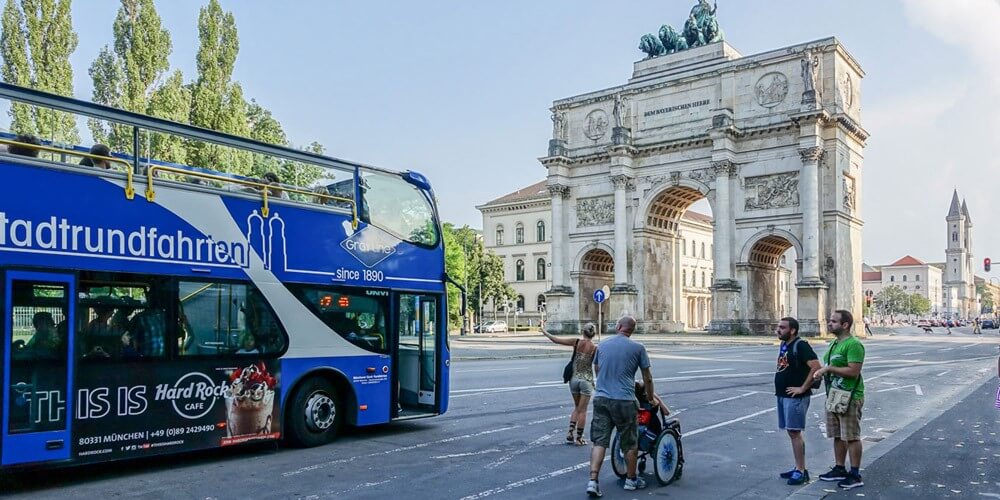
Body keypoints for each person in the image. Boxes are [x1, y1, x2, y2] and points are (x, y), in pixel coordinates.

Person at [587, 315, 654, 497]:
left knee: (599, 441)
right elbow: (647, 376)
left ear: (618, 326)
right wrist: (650, 397)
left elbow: (597, 369)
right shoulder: (638, 348)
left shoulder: (602, 346)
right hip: (625, 400)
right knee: (629, 442)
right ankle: (631, 480)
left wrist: (604, 384)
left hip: (601, 398)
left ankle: (593, 481)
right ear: (632, 330)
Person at [813, 310, 866, 490]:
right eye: (830, 321)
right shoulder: (835, 343)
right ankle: (839, 468)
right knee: (837, 435)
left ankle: (855, 474)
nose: (829, 324)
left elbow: (853, 371)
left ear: (845, 325)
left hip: (850, 396)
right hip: (835, 395)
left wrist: (828, 369)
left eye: (834, 322)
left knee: (851, 436)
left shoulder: (853, 345)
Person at [774, 317, 821, 485]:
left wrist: (802, 388)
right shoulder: (785, 344)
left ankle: (801, 471)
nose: (778, 330)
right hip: (784, 395)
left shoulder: (801, 345)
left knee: (795, 432)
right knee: (791, 432)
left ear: (792, 330)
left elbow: (816, 366)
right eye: (778, 327)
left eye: (782, 327)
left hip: (796, 397)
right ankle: (798, 467)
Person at [541, 322, 597, 445]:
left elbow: (556, 340)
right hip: (586, 381)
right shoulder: (595, 348)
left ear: (583, 332)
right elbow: (598, 366)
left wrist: (544, 331)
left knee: (577, 408)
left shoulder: (576, 342)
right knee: (583, 410)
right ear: (594, 334)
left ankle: (570, 432)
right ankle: (579, 438)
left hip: (574, 379)